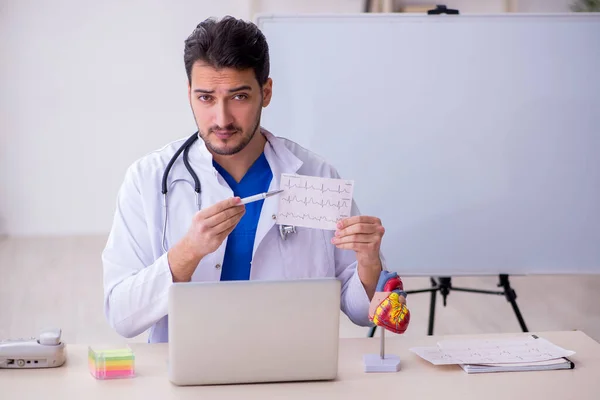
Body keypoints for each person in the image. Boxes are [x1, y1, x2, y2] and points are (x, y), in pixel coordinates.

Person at [102, 16, 394, 343]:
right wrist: (187, 253)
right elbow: (121, 314)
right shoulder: (149, 180)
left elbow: (357, 311)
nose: (222, 118)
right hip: (191, 381)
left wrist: (368, 262)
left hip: (293, 374)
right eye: (206, 98)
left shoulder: (314, 176)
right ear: (189, 94)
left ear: (265, 92)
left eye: (239, 97)